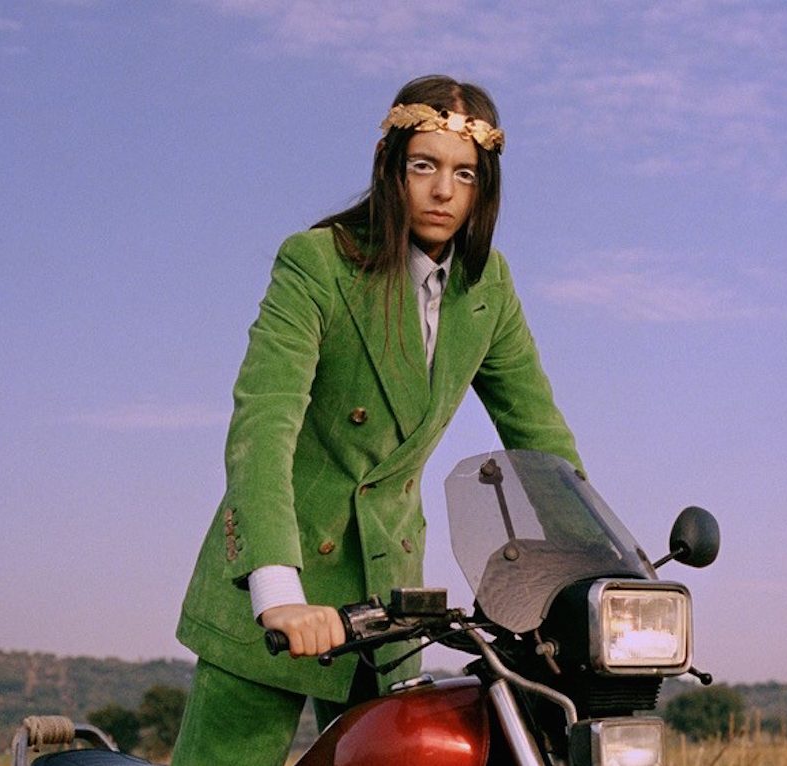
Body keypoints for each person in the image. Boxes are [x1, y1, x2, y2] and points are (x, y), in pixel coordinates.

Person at [172, 74, 582, 766]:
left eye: (464, 174)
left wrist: (591, 567)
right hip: (280, 584)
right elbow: (264, 424)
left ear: (484, 187)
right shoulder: (318, 263)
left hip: (387, 602)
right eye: (424, 166)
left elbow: (537, 432)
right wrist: (277, 589)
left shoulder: (486, 285)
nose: (443, 191)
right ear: (391, 168)